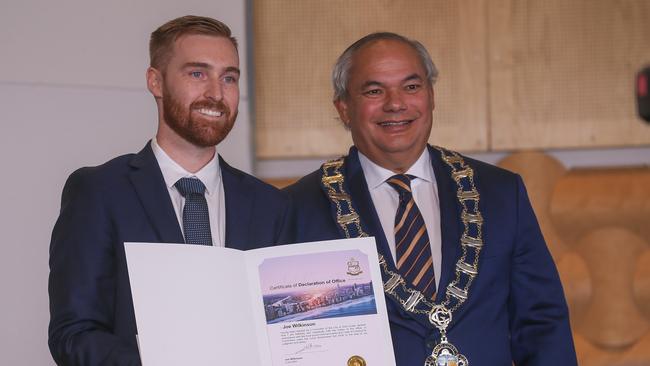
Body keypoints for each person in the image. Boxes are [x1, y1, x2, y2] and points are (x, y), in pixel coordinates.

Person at [284, 32, 577, 365]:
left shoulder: (500, 192)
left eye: (412, 87)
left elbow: (541, 323)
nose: (396, 103)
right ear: (344, 108)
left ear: (431, 96)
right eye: (374, 90)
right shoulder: (299, 208)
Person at [48, 16, 291, 366]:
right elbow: (74, 335)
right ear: (155, 81)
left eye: (229, 77)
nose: (216, 93)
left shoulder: (271, 204)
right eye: (197, 73)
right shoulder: (99, 191)